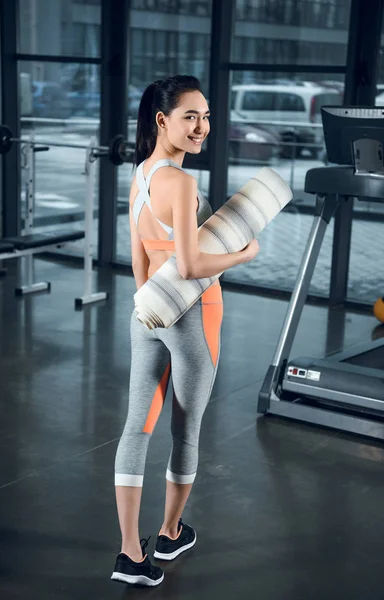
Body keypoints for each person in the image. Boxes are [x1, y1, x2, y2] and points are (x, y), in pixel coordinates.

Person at [111, 75, 260, 587]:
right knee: (184, 430)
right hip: (195, 315)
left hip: (146, 310)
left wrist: (148, 306)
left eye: (207, 116)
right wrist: (245, 253)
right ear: (162, 121)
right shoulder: (182, 182)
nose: (202, 127)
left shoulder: (142, 174)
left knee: (136, 427)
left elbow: (137, 255)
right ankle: (170, 532)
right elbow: (194, 264)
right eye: (191, 116)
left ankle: (131, 553)